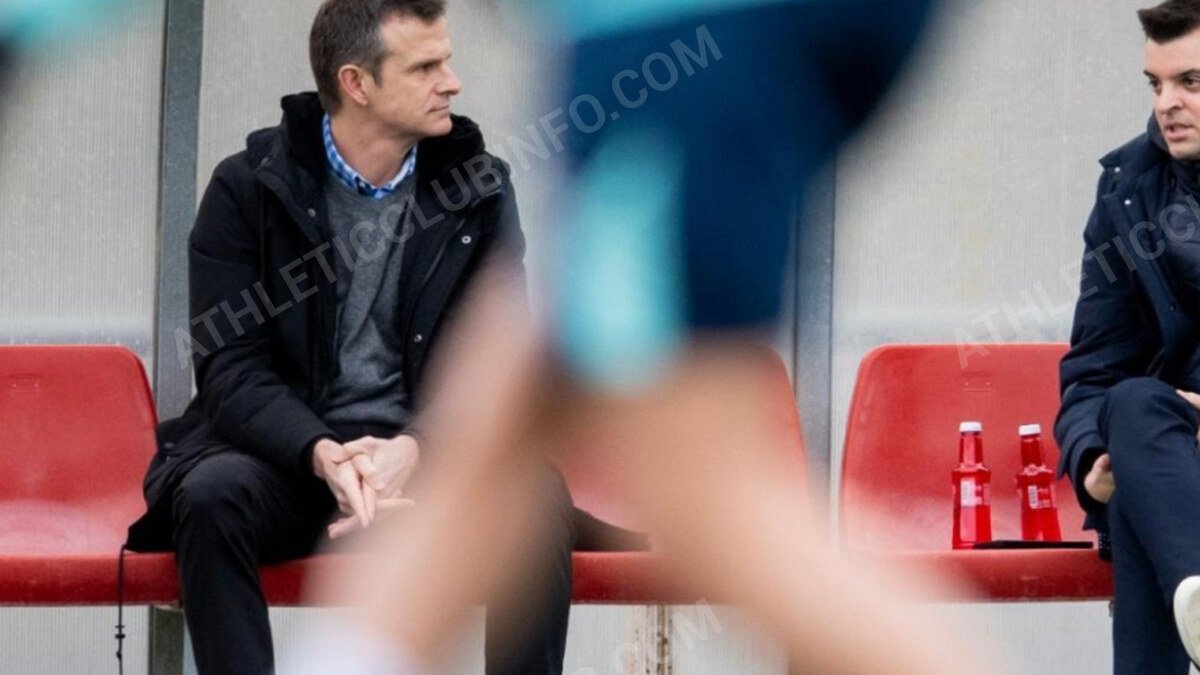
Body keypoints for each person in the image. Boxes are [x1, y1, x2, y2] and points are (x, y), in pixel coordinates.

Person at [289, 2, 1005, 674]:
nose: (450, 81)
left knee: (704, 501)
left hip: (677, 39)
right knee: (502, 421)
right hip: (682, 43)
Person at [123, 1, 581, 673]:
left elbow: (494, 362)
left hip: (426, 465)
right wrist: (323, 453)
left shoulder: (479, 188)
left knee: (533, 498)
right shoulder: (246, 189)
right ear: (356, 83)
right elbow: (230, 367)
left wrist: (415, 447)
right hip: (291, 460)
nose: (451, 82)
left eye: (447, 61)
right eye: (425, 67)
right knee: (211, 496)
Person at [1057, 1, 1200, 671]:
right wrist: (1092, 461)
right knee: (1134, 407)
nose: (1167, 103)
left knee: (1150, 486)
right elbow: (1094, 369)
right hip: (1165, 453)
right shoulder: (1129, 192)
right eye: (1156, 83)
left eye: (1190, 82)